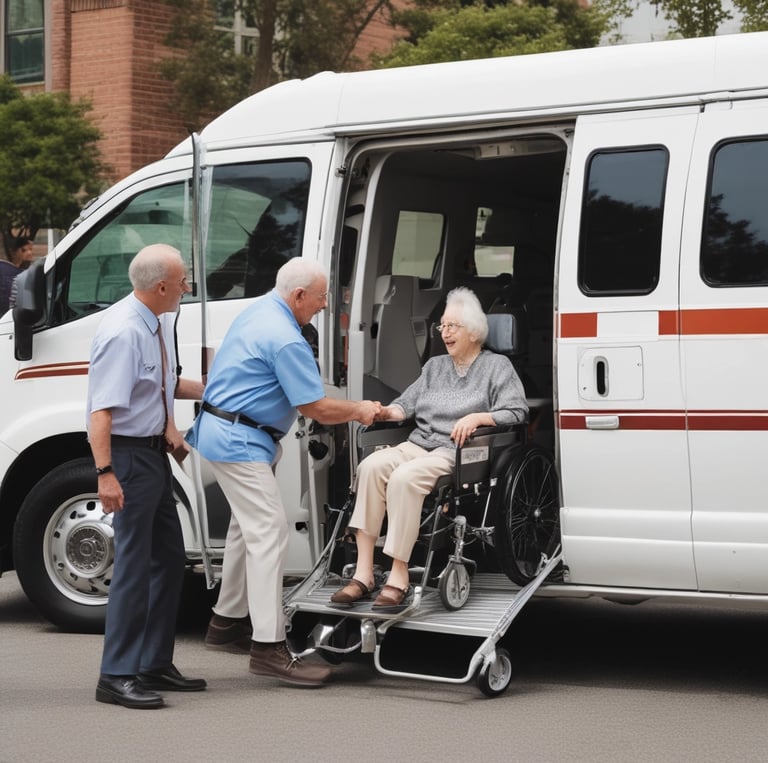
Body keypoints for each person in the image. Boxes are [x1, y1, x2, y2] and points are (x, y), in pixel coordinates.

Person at [186, 257, 381, 688]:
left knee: (245, 529)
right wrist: (360, 410)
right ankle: (269, 649)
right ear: (298, 296)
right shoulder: (285, 338)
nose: (325, 305)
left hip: (228, 432)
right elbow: (316, 408)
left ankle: (226, 622)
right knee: (270, 533)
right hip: (240, 440)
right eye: (321, 297)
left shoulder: (260, 309)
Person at [330, 286, 528, 611]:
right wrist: (383, 412)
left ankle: (398, 576)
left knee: (404, 478)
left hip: (456, 452)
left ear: (474, 331)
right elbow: (404, 406)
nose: (445, 332)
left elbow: (518, 412)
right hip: (418, 444)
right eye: (442, 326)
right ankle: (364, 573)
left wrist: (480, 416)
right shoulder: (434, 367)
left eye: (453, 326)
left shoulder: (497, 367)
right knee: (371, 466)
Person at [88, 243, 206, 710]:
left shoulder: (151, 319)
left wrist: (174, 426)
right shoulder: (123, 332)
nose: (186, 287)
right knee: (135, 569)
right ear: (161, 287)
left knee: (168, 560)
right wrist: (105, 475)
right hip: (130, 459)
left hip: (152, 454)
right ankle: (115, 674)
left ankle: (153, 661)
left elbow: (160, 383)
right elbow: (101, 413)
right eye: (182, 281)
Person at [0, 236, 34, 315]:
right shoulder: (5, 271)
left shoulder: (26, 272)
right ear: (13, 252)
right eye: (24, 250)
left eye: (31, 249)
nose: (29, 253)